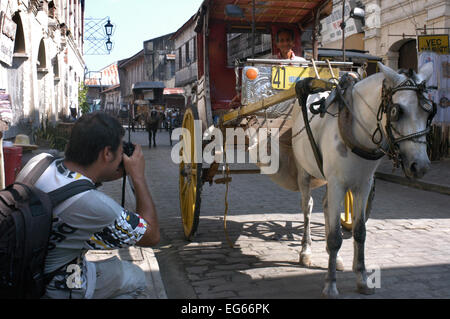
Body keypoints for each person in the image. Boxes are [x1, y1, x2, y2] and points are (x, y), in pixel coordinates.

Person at [16, 112, 160, 299]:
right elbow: (151, 235)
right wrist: (138, 177)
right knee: (136, 277)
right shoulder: (96, 205)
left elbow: (74, 182)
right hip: (59, 287)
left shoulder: (39, 161)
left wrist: (107, 171)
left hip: (24, 271)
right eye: (118, 151)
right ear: (107, 153)